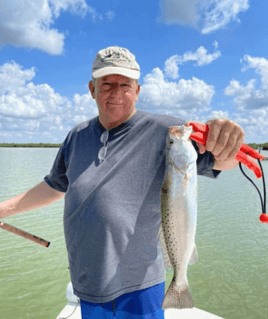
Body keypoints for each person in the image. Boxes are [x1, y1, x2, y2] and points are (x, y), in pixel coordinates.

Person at [0, 45, 245, 319]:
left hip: (140, 286)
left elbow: (224, 162)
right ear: (91, 90)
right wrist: (2, 210)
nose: (116, 93)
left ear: (137, 91)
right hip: (87, 281)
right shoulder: (75, 136)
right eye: (106, 84)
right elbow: (54, 186)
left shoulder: (170, 132)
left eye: (125, 84)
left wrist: (227, 142)